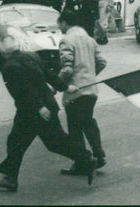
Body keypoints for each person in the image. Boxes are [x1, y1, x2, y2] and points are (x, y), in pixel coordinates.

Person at [0, 30, 97, 192]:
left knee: (16, 141)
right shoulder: (32, 56)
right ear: (18, 46)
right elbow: (49, 75)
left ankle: (11, 178)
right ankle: (86, 159)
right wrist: (65, 87)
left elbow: (22, 91)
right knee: (55, 142)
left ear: (3, 51)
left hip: (32, 110)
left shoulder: (9, 67)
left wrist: (39, 107)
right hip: (47, 106)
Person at [57, 11, 108, 176]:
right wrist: (89, 76)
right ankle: (99, 155)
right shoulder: (89, 39)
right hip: (91, 89)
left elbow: (67, 69)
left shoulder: (67, 40)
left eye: (59, 24)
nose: (59, 28)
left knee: (75, 128)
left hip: (75, 91)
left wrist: (56, 85)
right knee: (88, 122)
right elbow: (102, 62)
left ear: (64, 22)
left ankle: (81, 163)